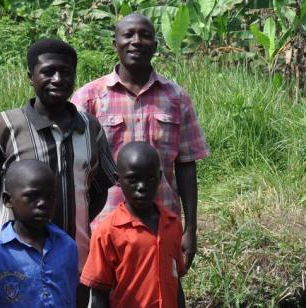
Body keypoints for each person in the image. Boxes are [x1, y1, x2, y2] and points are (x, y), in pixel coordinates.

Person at [0, 38, 116, 278]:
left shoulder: (90, 128)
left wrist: (77, 226)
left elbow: (99, 189)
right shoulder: (3, 127)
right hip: (14, 264)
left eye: (65, 72)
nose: (57, 79)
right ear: (30, 76)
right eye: (47, 72)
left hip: (75, 257)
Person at [71, 13, 209, 275]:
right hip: (103, 226)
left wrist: (190, 229)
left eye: (145, 35)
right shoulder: (89, 98)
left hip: (162, 226)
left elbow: (187, 166)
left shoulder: (176, 98)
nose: (136, 41)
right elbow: (73, 168)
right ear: (115, 43)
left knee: (161, 294)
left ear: (155, 46)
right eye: (128, 35)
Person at [82, 142, 185, 307]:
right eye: (133, 179)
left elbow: (176, 282)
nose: (142, 187)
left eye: (150, 179)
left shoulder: (172, 224)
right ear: (117, 180)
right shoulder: (108, 232)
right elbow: (98, 295)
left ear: (159, 177)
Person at [0, 160, 79, 307]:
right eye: (32, 196)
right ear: (8, 200)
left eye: (50, 196)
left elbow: (73, 293)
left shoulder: (67, 245)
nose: (42, 203)